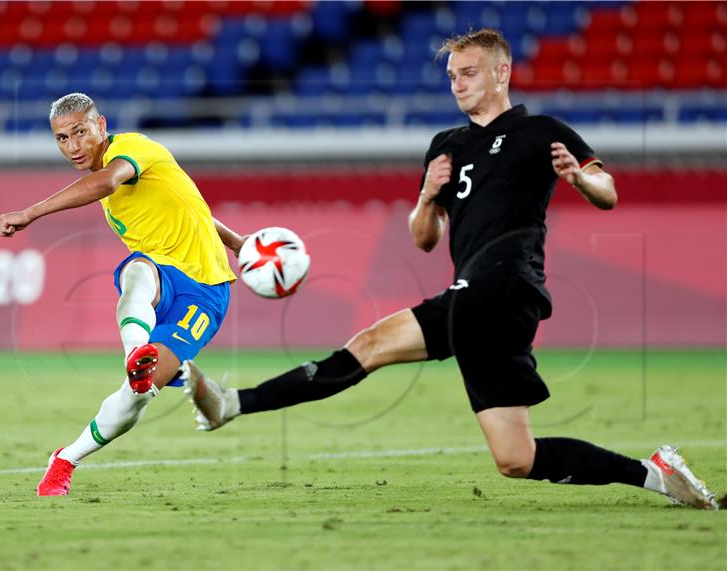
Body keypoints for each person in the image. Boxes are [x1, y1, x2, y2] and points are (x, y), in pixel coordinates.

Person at [186, 30, 718, 510]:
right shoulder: (446, 147)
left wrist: (580, 179)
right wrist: (426, 194)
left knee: (369, 346)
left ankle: (232, 405)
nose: (457, 85)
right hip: (488, 302)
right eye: (451, 77)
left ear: (501, 72)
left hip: (505, 284)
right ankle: (656, 475)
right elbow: (424, 239)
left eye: (468, 74)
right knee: (517, 458)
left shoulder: (541, 131)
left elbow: (610, 191)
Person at [0, 92, 244, 496]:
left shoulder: (133, 148)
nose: (73, 146)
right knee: (137, 270)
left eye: (80, 132)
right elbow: (191, 207)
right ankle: (134, 354)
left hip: (205, 292)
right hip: (161, 272)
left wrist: (31, 212)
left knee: (139, 395)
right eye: (62, 138)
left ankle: (67, 454)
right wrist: (236, 241)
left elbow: (106, 180)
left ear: (102, 125)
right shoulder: (115, 192)